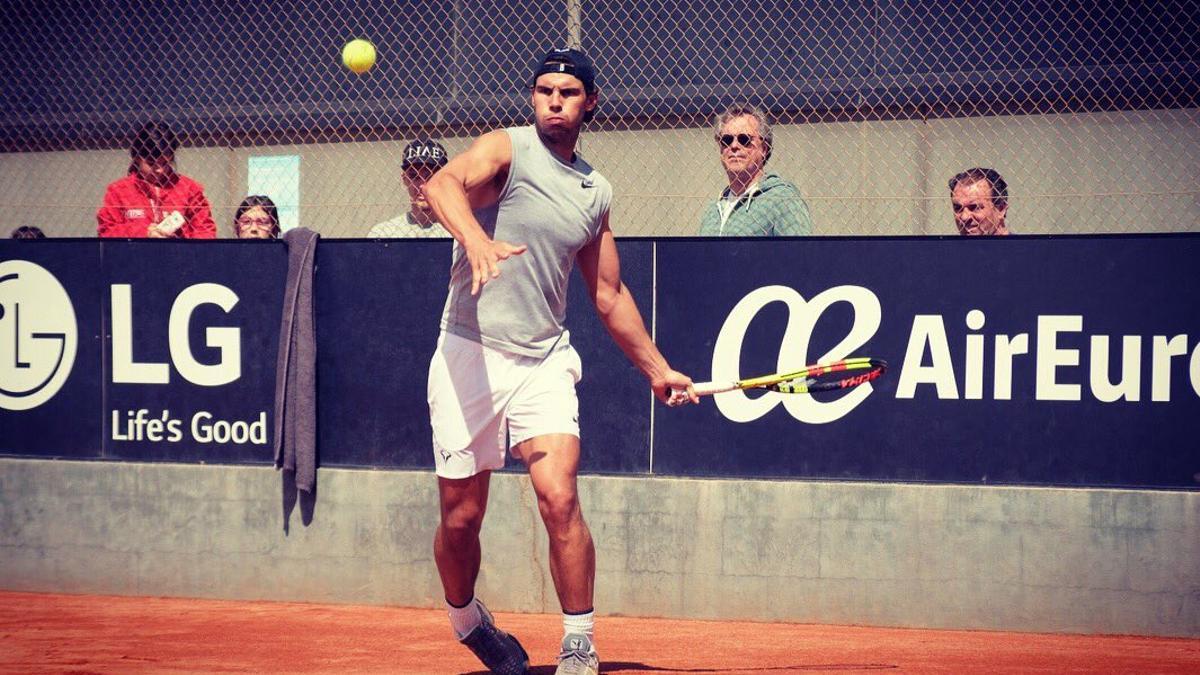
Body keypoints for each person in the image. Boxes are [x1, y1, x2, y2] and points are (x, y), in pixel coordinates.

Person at [421, 47, 697, 675]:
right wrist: (478, 239)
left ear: (589, 102)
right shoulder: (507, 149)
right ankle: (466, 617)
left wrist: (658, 369)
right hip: (469, 353)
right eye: (543, 89)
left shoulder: (594, 191)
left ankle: (579, 641)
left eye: (567, 92)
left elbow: (608, 293)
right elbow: (443, 183)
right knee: (461, 518)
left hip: (544, 358)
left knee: (559, 497)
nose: (553, 100)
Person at [698, 103, 814, 236]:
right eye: (727, 140)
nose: (734, 145)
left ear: (764, 149)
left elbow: (801, 254)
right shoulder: (712, 211)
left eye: (744, 139)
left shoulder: (782, 199)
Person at [96, 122, 216, 239]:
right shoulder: (119, 191)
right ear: (137, 158)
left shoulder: (189, 189)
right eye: (151, 163)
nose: (160, 170)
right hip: (136, 256)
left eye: (165, 163)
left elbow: (205, 230)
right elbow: (106, 232)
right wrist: (143, 232)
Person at [368, 139, 452, 238]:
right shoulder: (384, 233)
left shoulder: (459, 231)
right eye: (414, 176)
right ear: (405, 179)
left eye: (430, 177)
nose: (422, 185)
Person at [949, 167, 1010, 235]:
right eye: (958, 208)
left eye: (975, 207)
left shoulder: (1020, 245)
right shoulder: (947, 245)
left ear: (1001, 209)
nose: (964, 217)